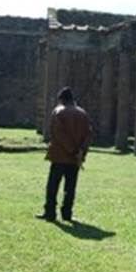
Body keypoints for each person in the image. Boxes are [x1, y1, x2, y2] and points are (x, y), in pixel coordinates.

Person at [37, 87, 92, 222]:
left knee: (53, 186)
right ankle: (67, 213)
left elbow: (59, 134)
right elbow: (88, 134)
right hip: (75, 159)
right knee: (70, 187)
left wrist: (72, 150)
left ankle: (50, 212)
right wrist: (81, 152)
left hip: (60, 156)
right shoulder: (83, 113)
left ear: (61, 99)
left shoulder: (58, 112)